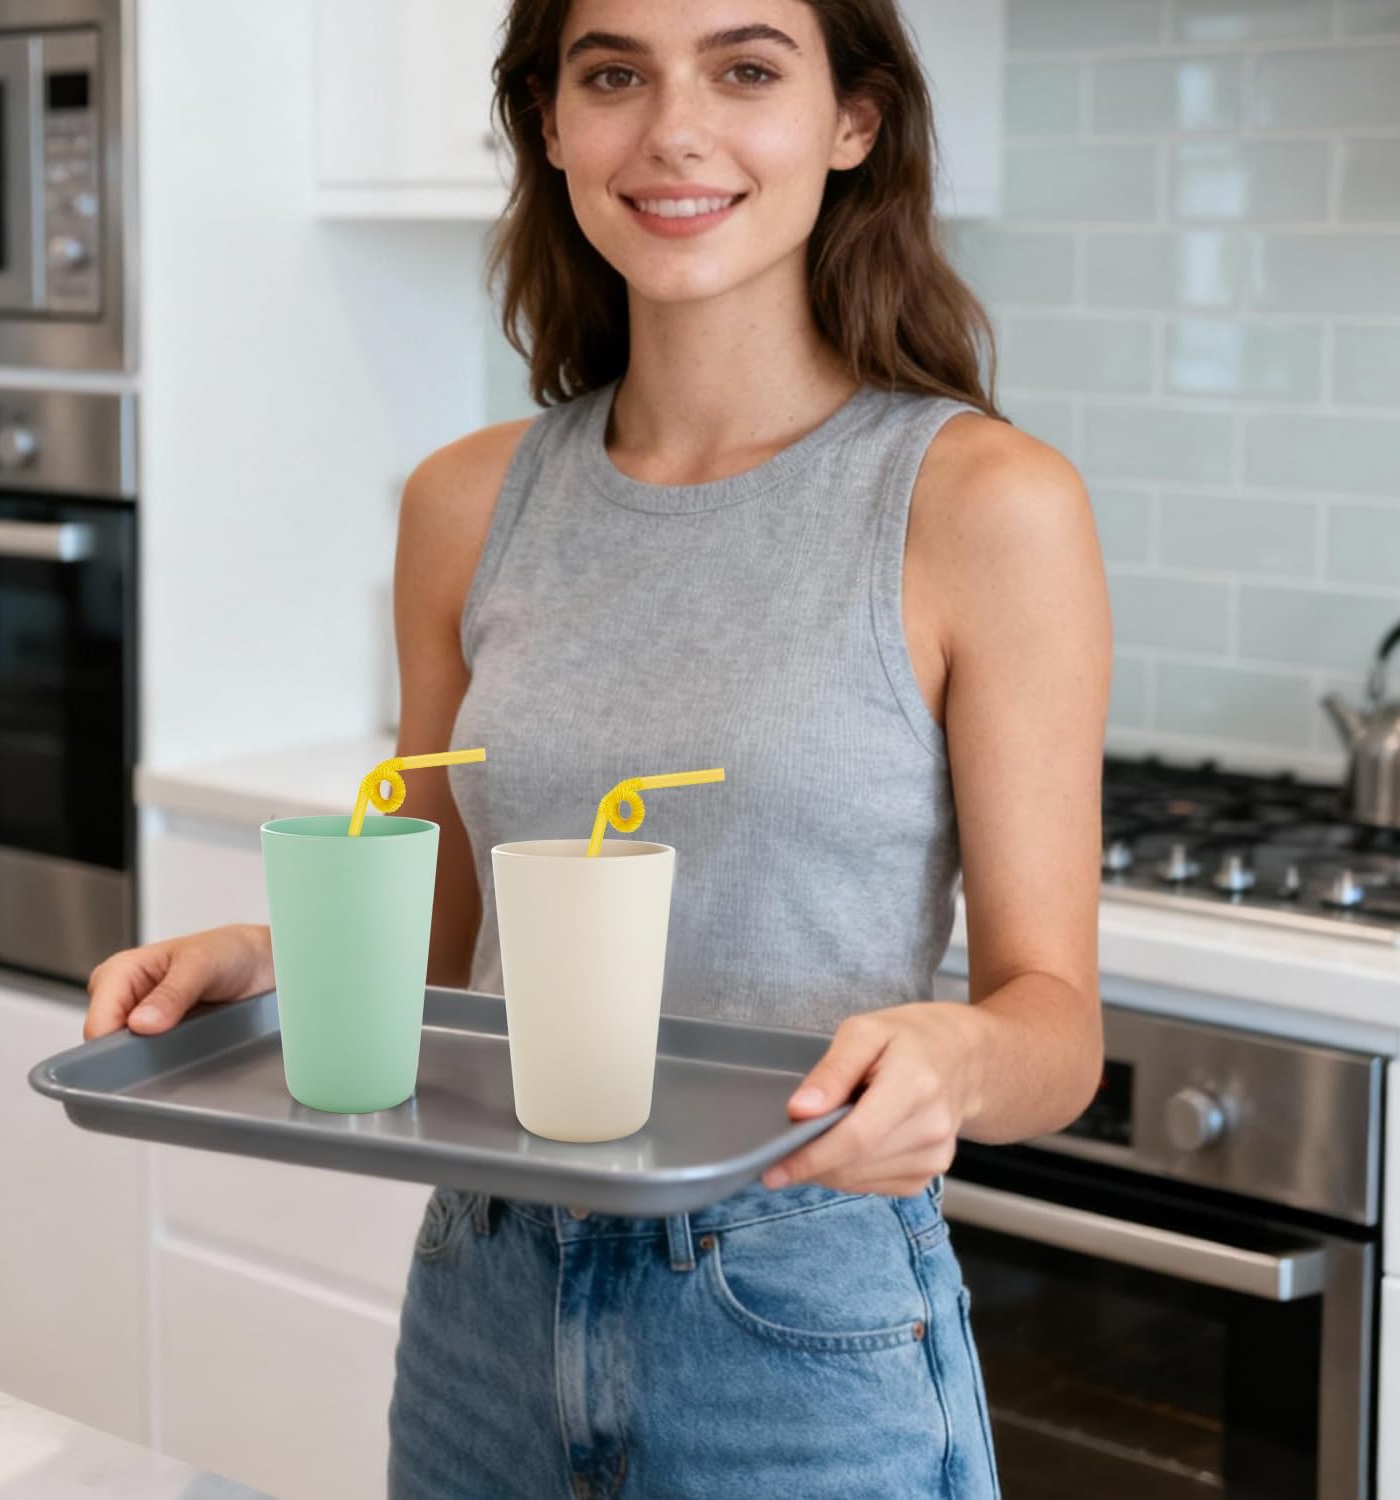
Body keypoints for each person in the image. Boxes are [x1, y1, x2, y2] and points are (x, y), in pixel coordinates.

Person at [85, 1, 1111, 1494]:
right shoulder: (463, 503)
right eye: (612, 73)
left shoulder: (981, 502)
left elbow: (1058, 1029)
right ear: (552, 124)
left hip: (794, 1325)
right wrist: (274, 963)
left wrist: (954, 1061)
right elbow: (443, 963)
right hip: (483, 1292)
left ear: (853, 123)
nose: (672, 129)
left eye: (747, 70)